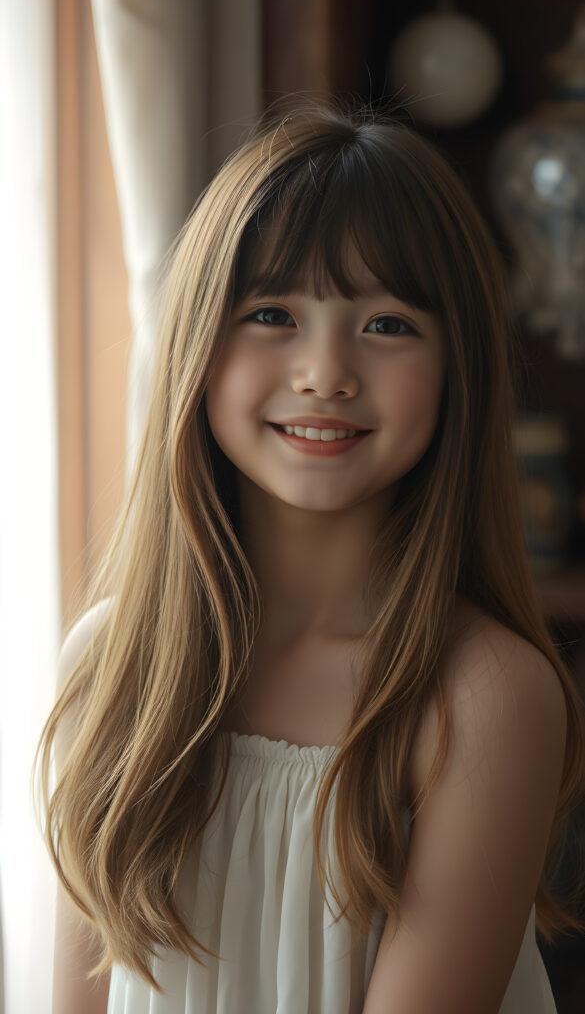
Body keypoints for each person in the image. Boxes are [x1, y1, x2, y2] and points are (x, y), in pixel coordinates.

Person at [35, 101, 585, 1014]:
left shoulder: (480, 697)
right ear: (197, 350)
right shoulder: (110, 662)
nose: (323, 371)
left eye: (386, 324)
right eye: (272, 312)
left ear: (459, 370)